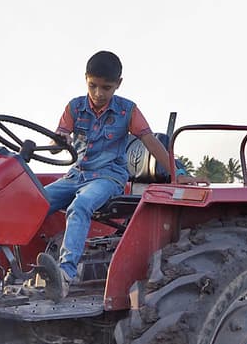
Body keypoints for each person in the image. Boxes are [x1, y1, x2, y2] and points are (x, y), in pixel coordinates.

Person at [37, 50, 187, 300]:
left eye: (106, 87)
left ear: (118, 84)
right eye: (93, 85)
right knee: (33, 202)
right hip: (76, 175)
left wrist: (178, 172)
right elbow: (59, 140)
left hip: (108, 178)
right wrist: (56, 141)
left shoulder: (127, 111)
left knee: (80, 205)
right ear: (86, 79)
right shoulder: (74, 107)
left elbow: (151, 143)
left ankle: (64, 277)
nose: (98, 93)